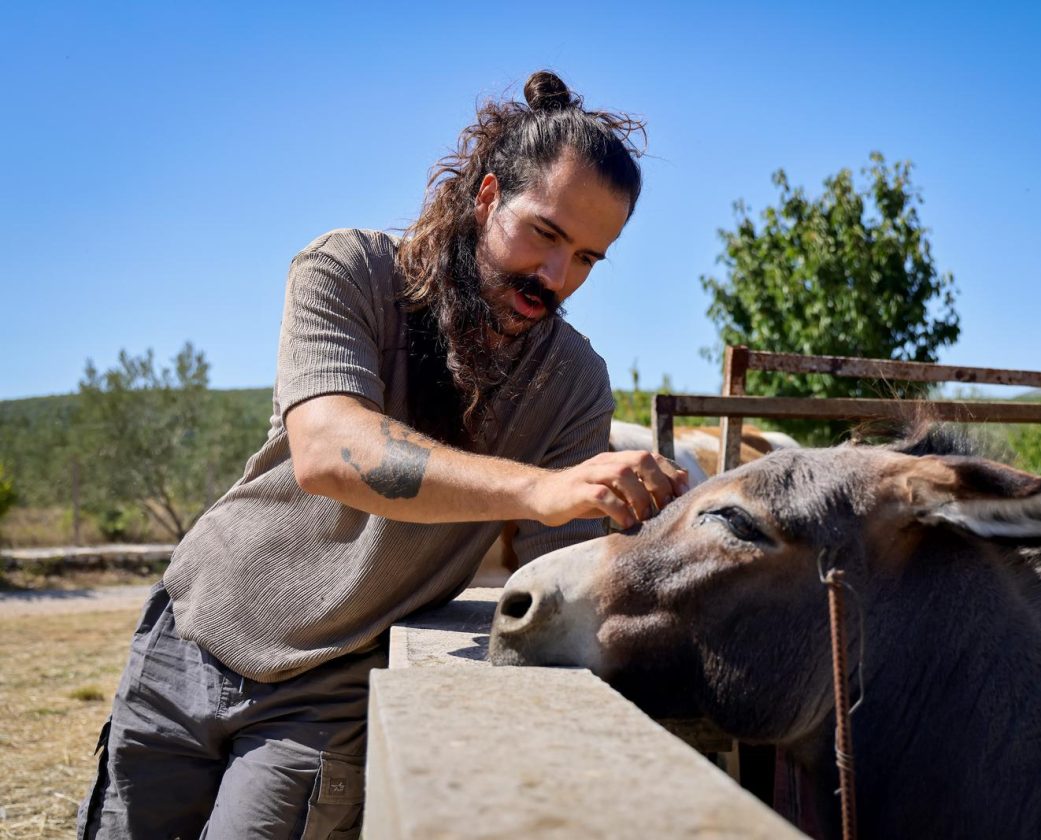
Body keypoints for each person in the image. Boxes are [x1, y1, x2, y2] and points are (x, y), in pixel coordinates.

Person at [78, 70, 687, 839]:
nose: (557, 280)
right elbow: (332, 450)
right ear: (489, 196)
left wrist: (655, 544)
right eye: (547, 234)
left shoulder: (575, 384)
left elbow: (552, 586)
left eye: (590, 258)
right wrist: (541, 489)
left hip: (326, 694)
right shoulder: (348, 271)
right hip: (189, 637)